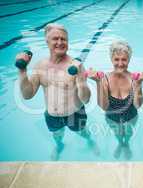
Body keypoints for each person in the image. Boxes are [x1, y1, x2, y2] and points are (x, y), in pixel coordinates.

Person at [16, 23, 95, 160]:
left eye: (63, 39)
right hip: (52, 115)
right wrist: (22, 71)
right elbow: (27, 95)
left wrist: (81, 81)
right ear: (47, 42)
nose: (60, 42)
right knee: (57, 135)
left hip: (75, 113)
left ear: (68, 42)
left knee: (83, 132)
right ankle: (59, 146)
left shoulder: (75, 66)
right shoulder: (40, 66)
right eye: (55, 39)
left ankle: (90, 141)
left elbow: (86, 99)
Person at [91, 41, 143, 160]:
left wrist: (138, 84)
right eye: (116, 59)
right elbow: (103, 106)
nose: (120, 63)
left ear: (129, 60)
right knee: (117, 134)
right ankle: (120, 143)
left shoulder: (134, 79)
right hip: (112, 117)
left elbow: (137, 105)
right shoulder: (105, 79)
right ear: (111, 59)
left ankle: (126, 143)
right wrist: (97, 83)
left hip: (131, 116)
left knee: (129, 134)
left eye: (124, 59)